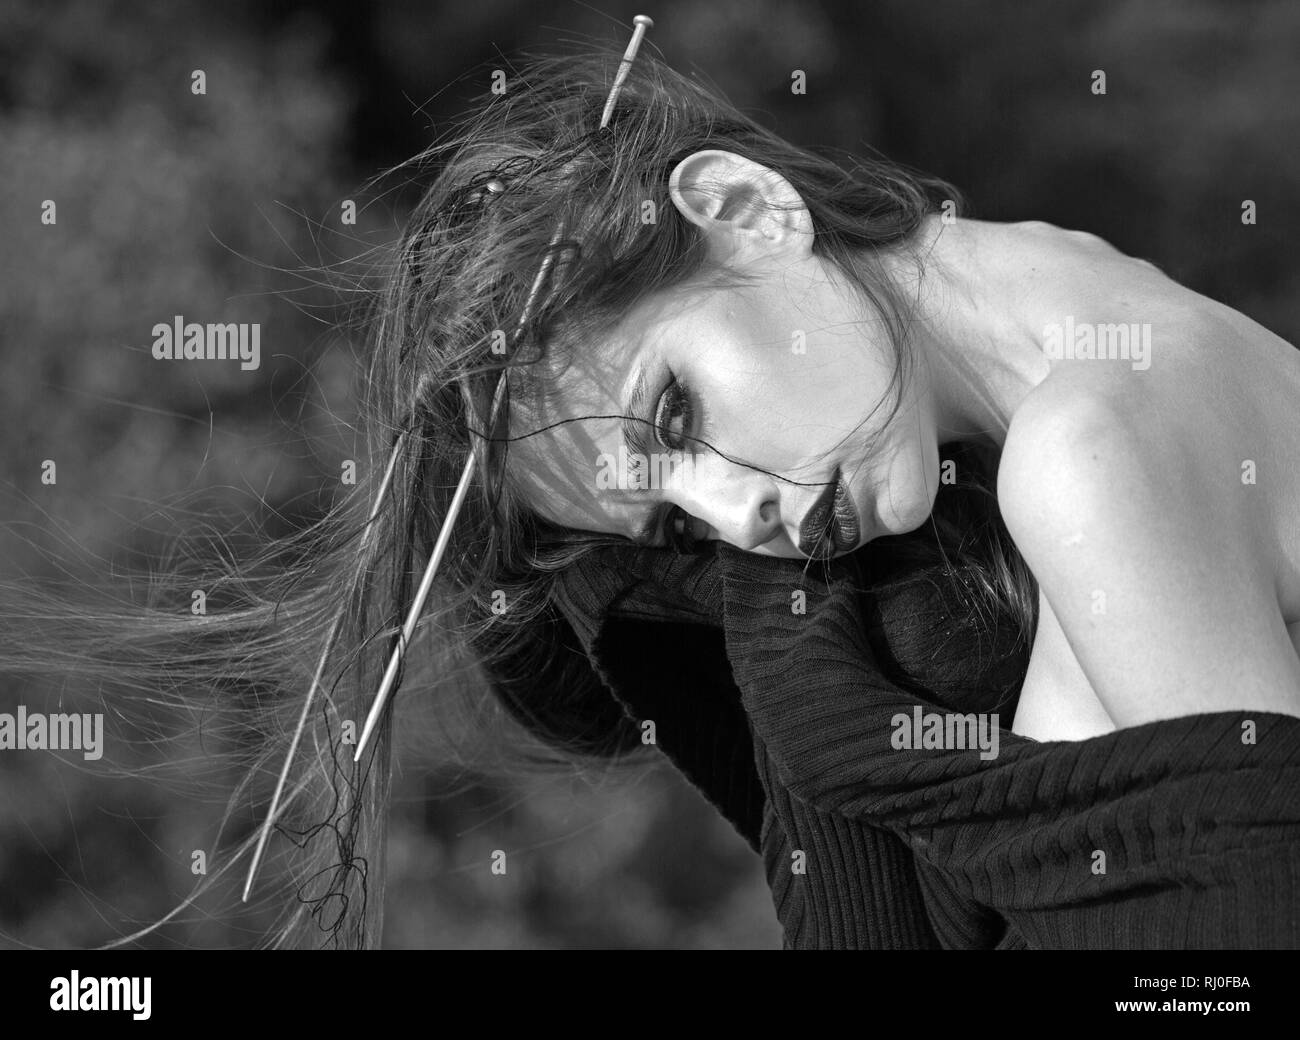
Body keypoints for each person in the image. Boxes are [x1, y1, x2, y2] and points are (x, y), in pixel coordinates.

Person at [6, 41, 1298, 949]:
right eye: (674, 519)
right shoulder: (1073, 336)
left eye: (674, 413)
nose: (743, 520)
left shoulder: (1090, 452)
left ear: (745, 208)